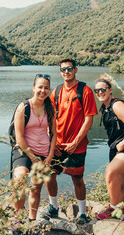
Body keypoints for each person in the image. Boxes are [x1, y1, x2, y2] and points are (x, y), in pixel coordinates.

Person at [43, 58, 98, 224]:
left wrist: (75, 142)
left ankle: (82, 213)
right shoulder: (57, 91)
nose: (66, 72)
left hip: (77, 145)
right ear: (60, 72)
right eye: (63, 69)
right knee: (50, 174)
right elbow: (50, 117)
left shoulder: (84, 90)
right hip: (58, 144)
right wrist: (51, 140)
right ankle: (53, 207)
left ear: (76, 70)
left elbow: (88, 120)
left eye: (69, 68)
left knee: (78, 179)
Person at [94, 75, 124, 220]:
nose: (100, 93)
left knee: (110, 172)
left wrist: (123, 143)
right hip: (117, 149)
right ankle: (121, 208)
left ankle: (112, 209)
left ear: (110, 90)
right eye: (97, 91)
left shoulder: (116, 105)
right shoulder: (106, 107)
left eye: (103, 89)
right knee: (120, 182)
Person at [12, 74, 57, 222]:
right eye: (40, 87)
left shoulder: (50, 109)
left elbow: (54, 134)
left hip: (43, 152)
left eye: (46, 88)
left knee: (36, 189)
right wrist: (32, 157)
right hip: (24, 151)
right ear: (33, 88)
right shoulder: (24, 107)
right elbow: (19, 137)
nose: (43, 91)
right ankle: (18, 220)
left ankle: (32, 221)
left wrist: (49, 157)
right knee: (20, 179)